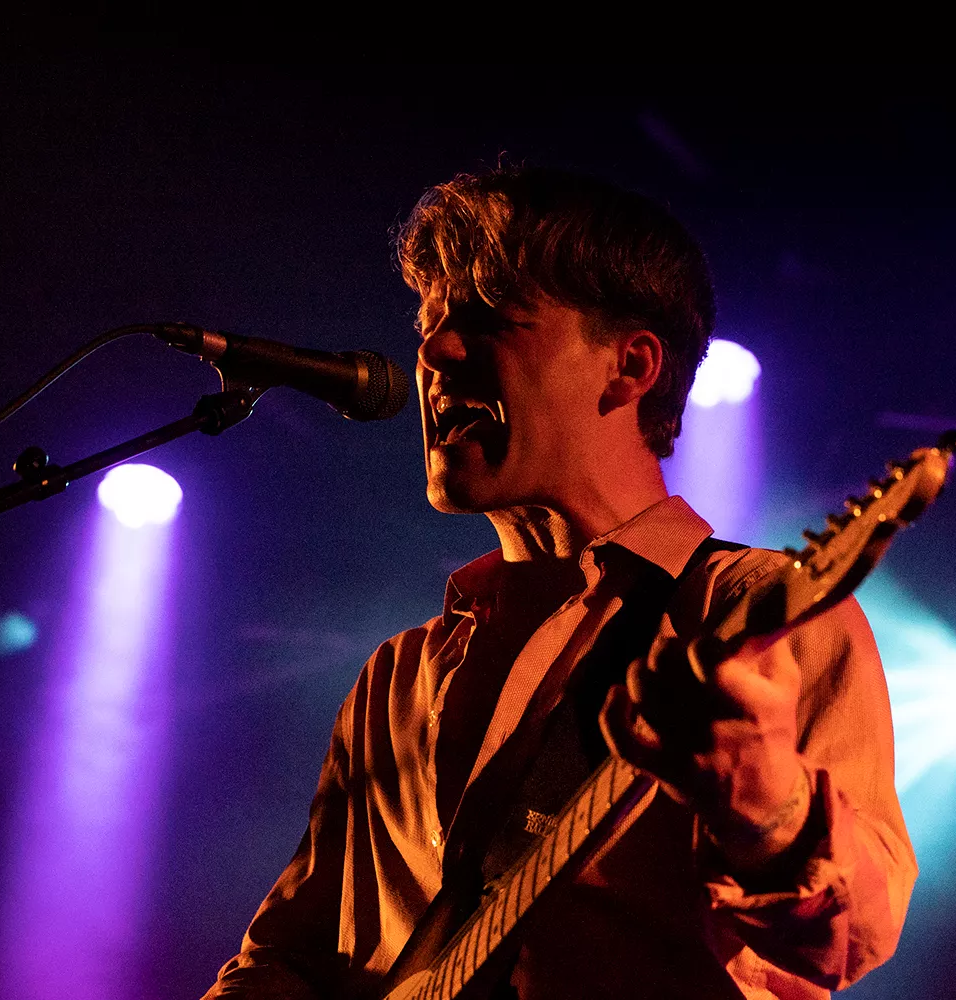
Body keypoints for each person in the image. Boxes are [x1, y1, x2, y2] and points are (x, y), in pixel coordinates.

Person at [202, 166, 915, 999]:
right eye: (429, 325)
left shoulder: (755, 616)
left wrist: (769, 804)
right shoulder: (396, 678)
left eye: (487, 318)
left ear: (629, 367)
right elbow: (290, 959)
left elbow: (853, 937)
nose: (433, 352)